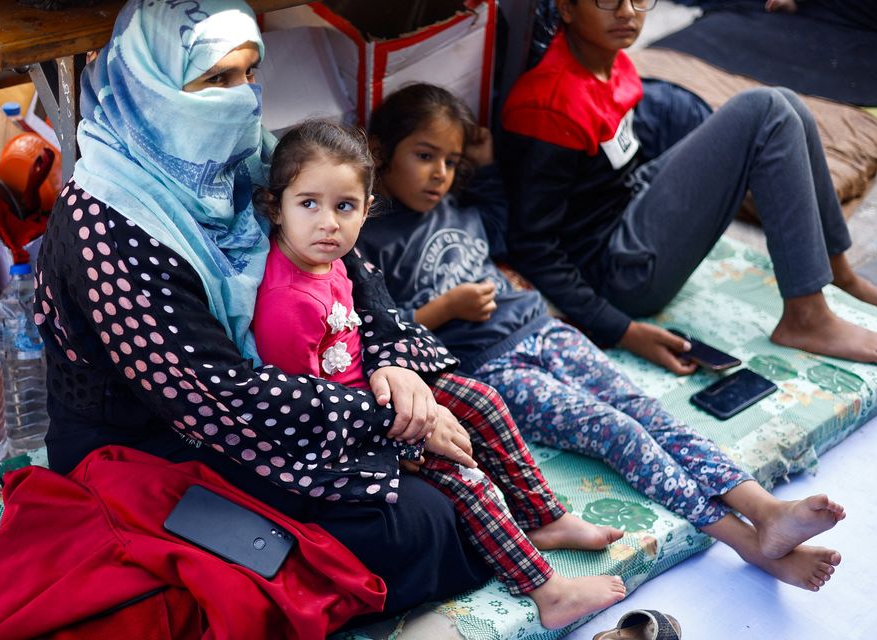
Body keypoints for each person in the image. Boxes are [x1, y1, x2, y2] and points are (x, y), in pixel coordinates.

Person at [36, 0, 501, 624]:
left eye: (250, 73)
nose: (244, 100)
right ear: (151, 84)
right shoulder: (106, 223)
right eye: (216, 79)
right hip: (153, 442)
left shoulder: (247, 159)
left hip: (288, 392)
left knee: (470, 431)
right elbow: (214, 395)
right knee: (414, 524)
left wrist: (394, 366)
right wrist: (383, 417)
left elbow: (355, 272)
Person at [358, 82, 845, 592]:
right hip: (491, 367)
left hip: (544, 329)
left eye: (451, 160)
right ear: (381, 151)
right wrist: (443, 309)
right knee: (618, 431)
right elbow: (382, 331)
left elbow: (506, 207)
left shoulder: (463, 206)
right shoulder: (371, 237)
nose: (440, 173)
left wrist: (484, 153)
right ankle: (748, 544)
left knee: (648, 411)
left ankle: (764, 509)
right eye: (424, 155)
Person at [251, 119, 627, 630]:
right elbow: (307, 410)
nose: (328, 224)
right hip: (339, 437)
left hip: (375, 395)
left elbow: (363, 336)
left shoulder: (332, 261)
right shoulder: (287, 301)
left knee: (482, 400)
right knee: (462, 477)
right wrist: (408, 436)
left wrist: (408, 386)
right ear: (277, 207)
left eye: (345, 207)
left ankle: (545, 517)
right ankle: (546, 589)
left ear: (366, 209)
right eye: (308, 204)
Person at [499, 0, 877, 374]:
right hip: (619, 272)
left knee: (787, 104)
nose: (628, 12)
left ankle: (837, 271)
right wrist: (624, 332)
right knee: (766, 112)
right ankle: (806, 317)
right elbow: (534, 246)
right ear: (565, 9)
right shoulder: (549, 106)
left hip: (629, 204)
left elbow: (616, 170)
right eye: (608, 1)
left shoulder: (610, 62)